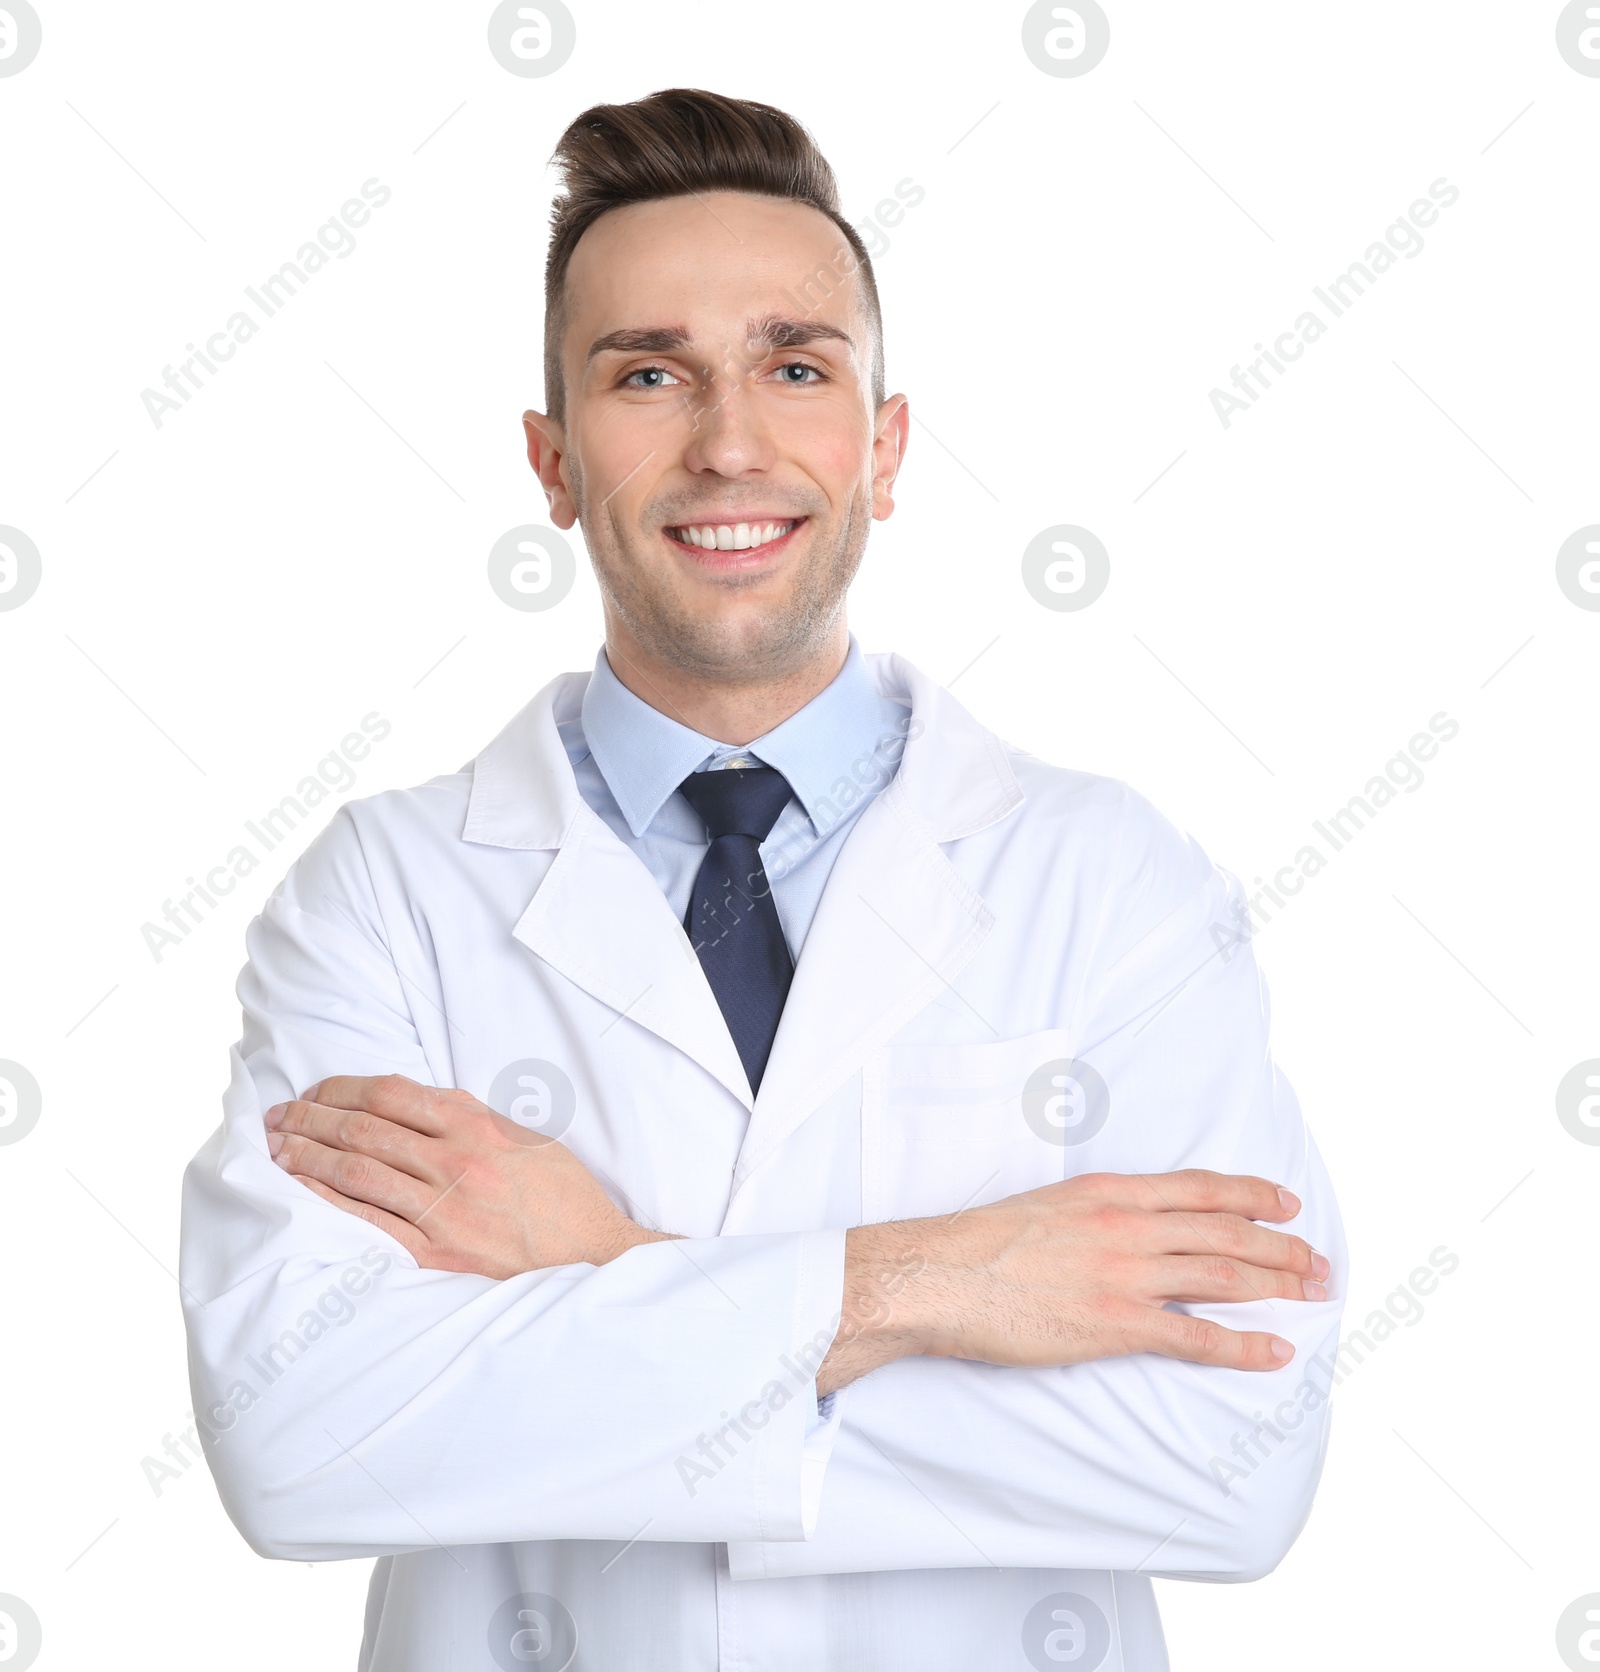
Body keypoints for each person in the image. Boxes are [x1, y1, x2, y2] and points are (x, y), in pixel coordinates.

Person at [179, 88, 1345, 1672]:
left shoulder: (1111, 882)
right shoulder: (385, 894)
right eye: (649, 373)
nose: (730, 440)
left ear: (884, 444)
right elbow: (305, 1430)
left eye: (795, 366)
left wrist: (610, 1282)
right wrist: (943, 1282)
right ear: (552, 459)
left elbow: (1230, 1463)